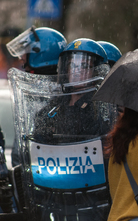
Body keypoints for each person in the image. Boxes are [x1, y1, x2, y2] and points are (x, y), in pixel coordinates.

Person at [9, 38, 114, 221]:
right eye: (73, 66)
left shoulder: (103, 111)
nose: (77, 72)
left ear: (95, 71)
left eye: (84, 66)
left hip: (90, 201)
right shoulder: (50, 110)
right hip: (52, 198)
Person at [6, 26, 67, 167]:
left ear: (40, 54)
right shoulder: (33, 89)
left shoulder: (63, 95)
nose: (21, 58)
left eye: (26, 53)